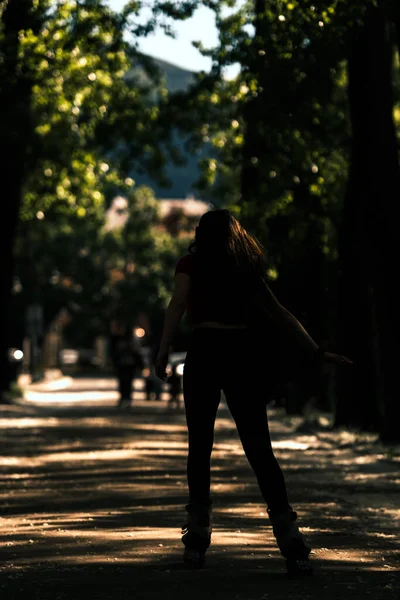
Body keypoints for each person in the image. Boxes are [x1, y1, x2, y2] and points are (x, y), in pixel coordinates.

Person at [155, 209, 351, 574]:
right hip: (241, 355)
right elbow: (279, 313)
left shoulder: (189, 264)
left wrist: (163, 349)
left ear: (200, 233)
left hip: (204, 352)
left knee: (200, 446)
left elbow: (178, 303)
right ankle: (290, 539)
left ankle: (197, 538)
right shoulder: (244, 269)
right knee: (259, 448)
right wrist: (316, 350)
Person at [109, 319, 144, 409]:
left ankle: (127, 398)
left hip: (129, 364)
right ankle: (124, 398)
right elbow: (113, 353)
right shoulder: (115, 339)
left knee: (128, 381)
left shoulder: (129, 338)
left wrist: (139, 364)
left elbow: (136, 352)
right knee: (122, 381)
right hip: (121, 364)